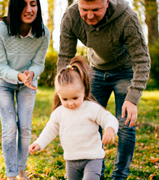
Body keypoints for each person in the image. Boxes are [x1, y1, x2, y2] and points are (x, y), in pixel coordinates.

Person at [57, 0, 151, 179]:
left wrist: (132, 98)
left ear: (107, 2)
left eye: (96, 10)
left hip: (125, 71)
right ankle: (95, 173)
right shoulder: (71, 16)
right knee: (90, 122)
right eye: (84, 9)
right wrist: (62, 90)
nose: (90, 16)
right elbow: (65, 56)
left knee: (125, 125)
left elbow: (142, 59)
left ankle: (120, 175)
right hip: (96, 70)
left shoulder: (127, 18)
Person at [29, 56, 119, 180]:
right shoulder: (59, 113)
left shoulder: (91, 108)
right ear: (58, 95)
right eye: (65, 99)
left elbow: (109, 118)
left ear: (84, 91)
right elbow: (50, 130)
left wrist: (110, 129)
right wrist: (39, 143)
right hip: (71, 160)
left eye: (75, 98)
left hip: (92, 158)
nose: (70, 103)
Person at [0, 0, 50, 179]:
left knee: (25, 127)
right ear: (14, 6)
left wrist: (31, 73)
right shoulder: (0, 30)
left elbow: (39, 63)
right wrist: (18, 76)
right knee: (9, 127)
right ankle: (11, 174)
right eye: (23, 4)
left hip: (28, 82)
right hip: (2, 80)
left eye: (33, 4)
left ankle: (22, 170)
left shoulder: (43, 32)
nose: (29, 10)